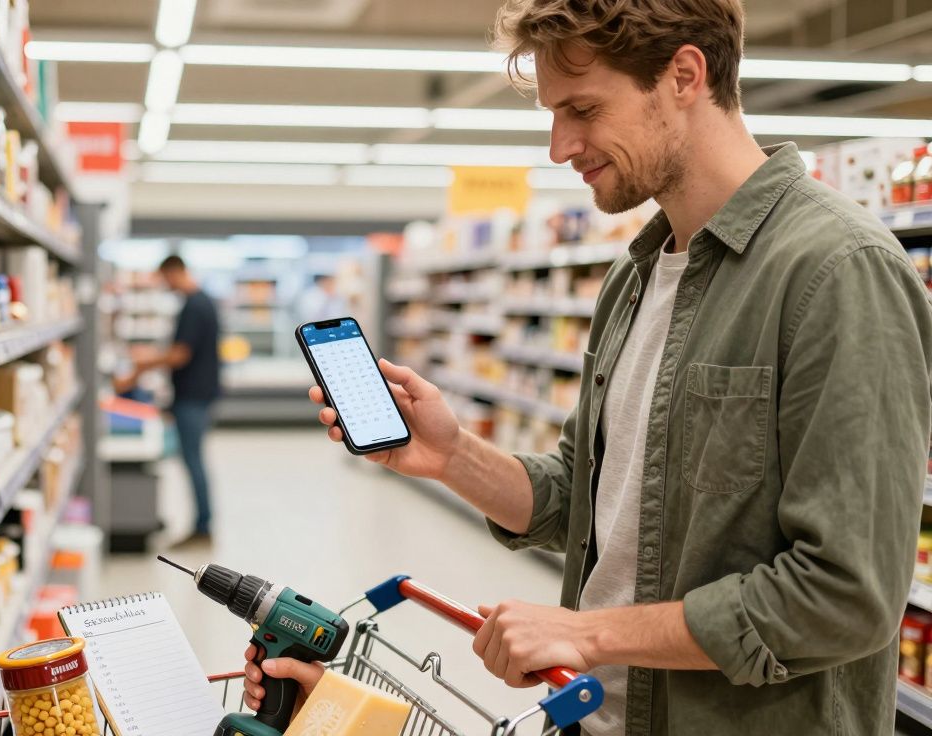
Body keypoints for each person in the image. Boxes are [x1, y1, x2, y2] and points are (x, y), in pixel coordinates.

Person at [243, 0, 932, 733]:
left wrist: (587, 632)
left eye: (582, 108)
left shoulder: (837, 272)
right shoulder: (633, 278)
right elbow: (586, 500)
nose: (559, 145)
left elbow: (844, 598)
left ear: (684, 76)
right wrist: (451, 457)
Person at [121, 255, 221, 546]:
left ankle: (202, 527)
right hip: (199, 393)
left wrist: (140, 366)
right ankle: (203, 524)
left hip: (193, 395)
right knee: (194, 459)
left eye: (165, 279)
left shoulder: (193, 305)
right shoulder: (203, 300)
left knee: (193, 460)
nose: (165, 286)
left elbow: (180, 354)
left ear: (175, 272)